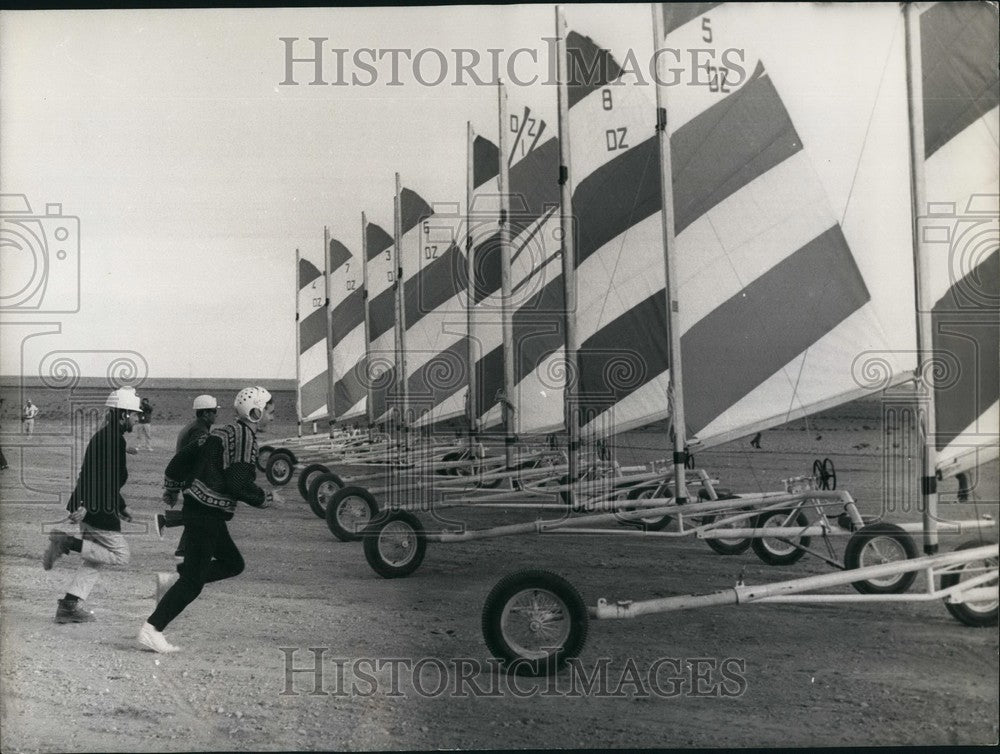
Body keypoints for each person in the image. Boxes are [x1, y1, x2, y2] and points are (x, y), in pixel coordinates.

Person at [138, 386, 279, 653]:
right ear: (256, 412)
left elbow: (180, 459)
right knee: (193, 583)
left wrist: (172, 487)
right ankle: (151, 629)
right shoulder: (245, 438)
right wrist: (266, 499)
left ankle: (172, 582)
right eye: (270, 412)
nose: (272, 418)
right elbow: (238, 483)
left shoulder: (222, 431)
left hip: (201, 508)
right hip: (206, 513)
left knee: (233, 564)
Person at [41, 386, 143, 623]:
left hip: (95, 506)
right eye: (135, 414)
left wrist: (120, 506)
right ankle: (65, 541)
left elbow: (105, 479)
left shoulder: (107, 437)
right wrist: (85, 504)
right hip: (97, 509)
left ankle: (68, 606)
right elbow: (95, 477)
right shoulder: (113, 440)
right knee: (120, 555)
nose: (138, 419)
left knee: (94, 559)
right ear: (124, 414)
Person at [154, 395, 220, 556]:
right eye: (213, 412)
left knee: (198, 513)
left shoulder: (195, 426)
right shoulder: (199, 431)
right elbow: (197, 457)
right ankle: (165, 520)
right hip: (192, 479)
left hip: (187, 478)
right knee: (203, 514)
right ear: (205, 413)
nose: (216, 415)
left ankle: (183, 548)